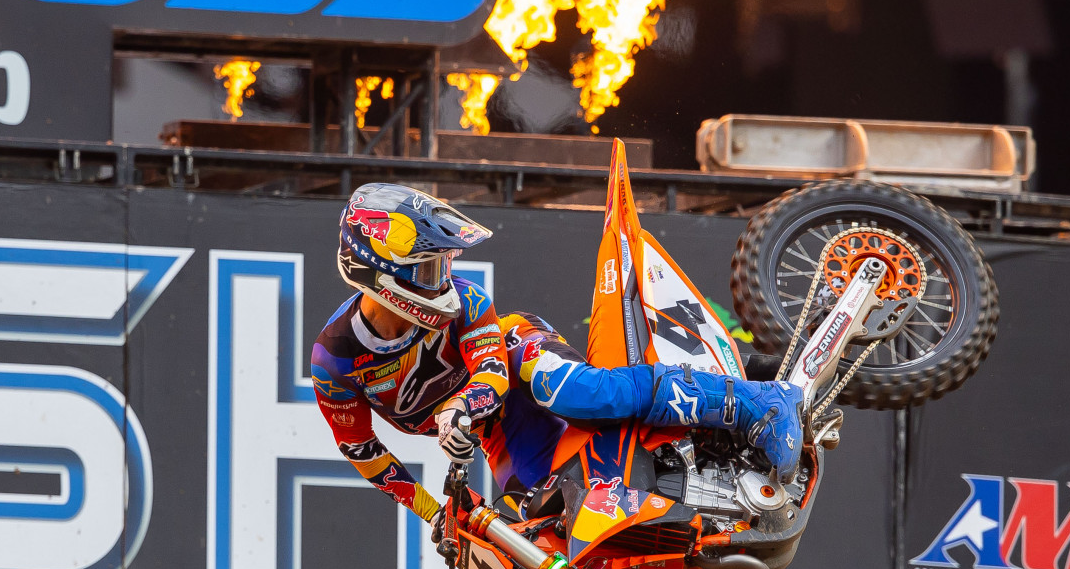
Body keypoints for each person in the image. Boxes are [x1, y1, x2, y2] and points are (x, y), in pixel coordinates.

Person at [310, 185, 802, 532]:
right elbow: (364, 453)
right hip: (495, 429)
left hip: (514, 353)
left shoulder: (469, 300)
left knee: (577, 393)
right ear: (379, 274)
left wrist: (459, 408)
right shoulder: (334, 361)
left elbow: (492, 374)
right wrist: (438, 514)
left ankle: (759, 402)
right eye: (427, 269)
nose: (442, 281)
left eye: (443, 264)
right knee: (541, 517)